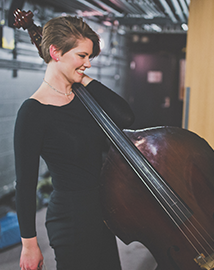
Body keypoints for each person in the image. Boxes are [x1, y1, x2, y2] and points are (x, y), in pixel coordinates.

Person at [13, 15, 134, 270]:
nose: (88, 64)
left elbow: (125, 116)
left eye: (89, 57)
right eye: (82, 56)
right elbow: (25, 184)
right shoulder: (33, 112)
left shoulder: (83, 98)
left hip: (102, 214)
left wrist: (80, 76)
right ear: (56, 52)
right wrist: (29, 245)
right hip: (71, 219)